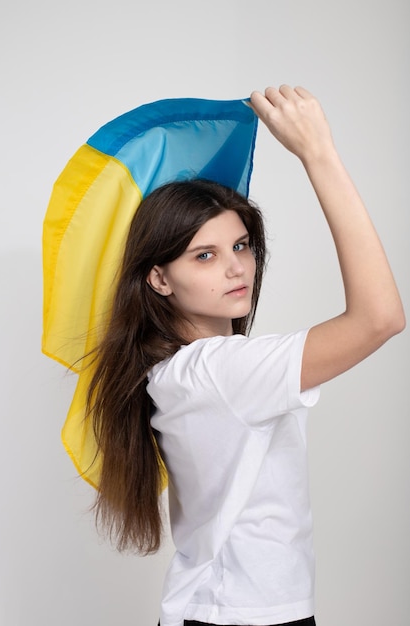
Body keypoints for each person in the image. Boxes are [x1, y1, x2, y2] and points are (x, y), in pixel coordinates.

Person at [85, 86, 405, 626]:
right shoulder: (216, 372)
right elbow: (380, 318)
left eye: (240, 246)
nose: (236, 268)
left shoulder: (192, 369)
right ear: (159, 278)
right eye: (204, 255)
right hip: (242, 617)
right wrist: (317, 153)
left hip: (235, 611)